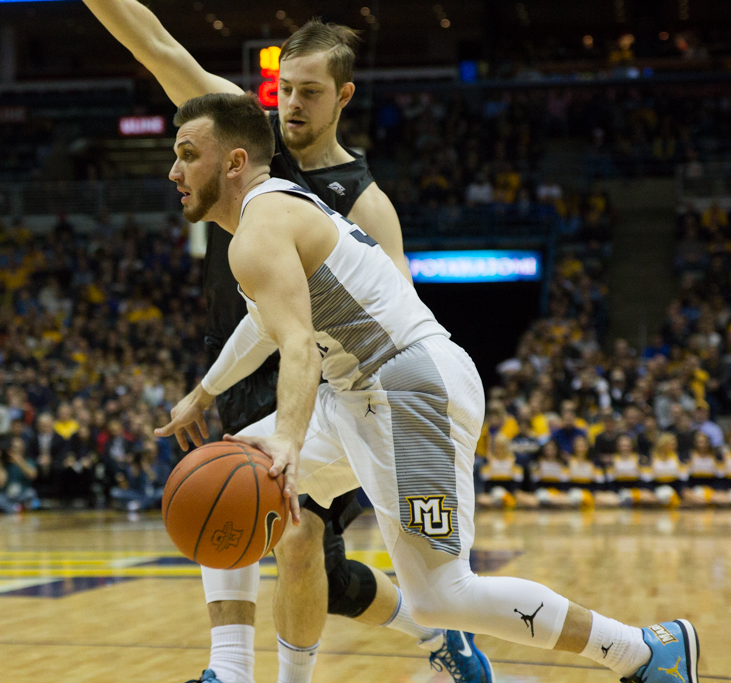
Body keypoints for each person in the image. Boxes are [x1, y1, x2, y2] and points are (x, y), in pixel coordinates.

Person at [156, 92, 698, 683]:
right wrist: (204, 395)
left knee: (442, 596)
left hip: (409, 389)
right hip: (361, 394)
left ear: (234, 162)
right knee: (230, 464)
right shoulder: (272, 216)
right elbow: (266, 323)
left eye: (188, 154)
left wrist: (287, 438)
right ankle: (231, 673)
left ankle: (643, 650)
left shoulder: (259, 231)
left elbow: (298, 347)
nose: (174, 171)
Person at [80, 4, 481, 681]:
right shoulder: (236, 136)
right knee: (237, 507)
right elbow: (155, 45)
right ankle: (236, 668)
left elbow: (404, 319)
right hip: (237, 355)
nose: (292, 104)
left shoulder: (365, 199)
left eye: (309, 92)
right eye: (285, 90)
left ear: (342, 97)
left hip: (324, 382)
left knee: (295, 541)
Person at [0, 436, 39, 513]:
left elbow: (32, 475)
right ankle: (15, 508)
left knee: (31, 492)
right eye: (12, 448)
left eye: (17, 448)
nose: (14, 451)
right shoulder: (3, 464)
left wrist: (19, 461)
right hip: (5, 495)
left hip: (21, 494)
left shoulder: (28, 461)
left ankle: (7, 508)